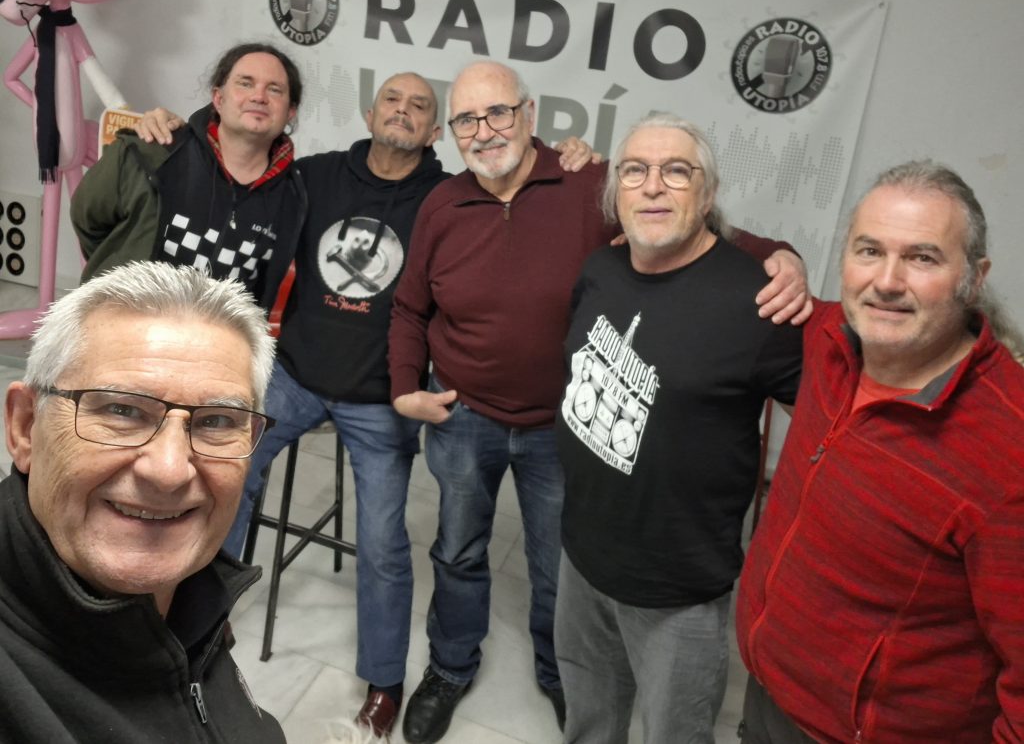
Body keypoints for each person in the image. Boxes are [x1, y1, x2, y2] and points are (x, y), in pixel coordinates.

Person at [134, 70, 596, 739]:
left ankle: (384, 681)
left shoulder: (447, 193)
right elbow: (239, 164)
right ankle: (197, 623)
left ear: (436, 132)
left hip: (380, 399)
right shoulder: (314, 175)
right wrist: (177, 129)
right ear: (370, 113)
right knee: (220, 471)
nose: (403, 112)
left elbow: (510, 193)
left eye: (420, 107)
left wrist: (569, 152)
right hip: (293, 377)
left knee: (383, 541)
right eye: (392, 101)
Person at [388, 59, 811, 744]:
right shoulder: (441, 204)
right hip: (463, 416)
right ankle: (450, 666)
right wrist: (406, 386)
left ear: (529, 116)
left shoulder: (588, 182)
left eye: (499, 112)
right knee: (458, 551)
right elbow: (410, 307)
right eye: (466, 119)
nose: (484, 130)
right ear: (452, 132)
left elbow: (681, 219)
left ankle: (564, 678)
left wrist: (780, 253)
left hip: (563, 429)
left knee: (560, 567)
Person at [736, 161, 1024, 743]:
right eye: (869, 251)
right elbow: (693, 235)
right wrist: (782, 254)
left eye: (922, 258)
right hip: (767, 697)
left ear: (974, 278)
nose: (887, 281)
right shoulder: (826, 338)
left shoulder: (1008, 449)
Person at [554, 113, 803, 744]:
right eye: (635, 170)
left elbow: (833, 427)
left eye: (676, 171)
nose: (653, 185)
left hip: (678, 588)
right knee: (588, 721)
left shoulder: (758, 303)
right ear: (616, 191)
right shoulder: (599, 269)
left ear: (707, 193)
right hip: (581, 558)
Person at [0, 261, 283, 742]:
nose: (169, 471)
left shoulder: (196, 596)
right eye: (122, 410)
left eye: (216, 421)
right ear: (25, 426)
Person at [70, 42, 307, 310]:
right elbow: (87, 219)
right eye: (245, 83)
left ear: (290, 111)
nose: (259, 96)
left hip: (216, 336)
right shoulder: (152, 150)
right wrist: (118, 258)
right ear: (218, 98)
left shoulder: (296, 198)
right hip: (122, 327)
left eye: (274, 89)